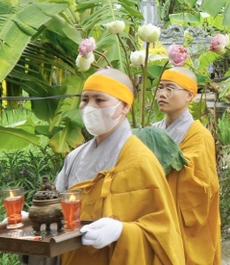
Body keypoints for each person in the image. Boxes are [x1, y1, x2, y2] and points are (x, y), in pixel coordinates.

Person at [55, 69, 185, 265]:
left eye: (99, 100)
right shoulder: (74, 158)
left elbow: (163, 233)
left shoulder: (141, 161)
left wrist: (122, 232)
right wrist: (31, 220)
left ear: (124, 106)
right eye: (85, 100)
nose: (89, 107)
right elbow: (58, 209)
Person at [153, 68, 221, 265]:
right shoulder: (153, 131)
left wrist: (165, 164)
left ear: (190, 95)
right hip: (156, 215)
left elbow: (204, 185)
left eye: (170, 88)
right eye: (160, 88)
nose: (162, 94)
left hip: (185, 219)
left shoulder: (199, 136)